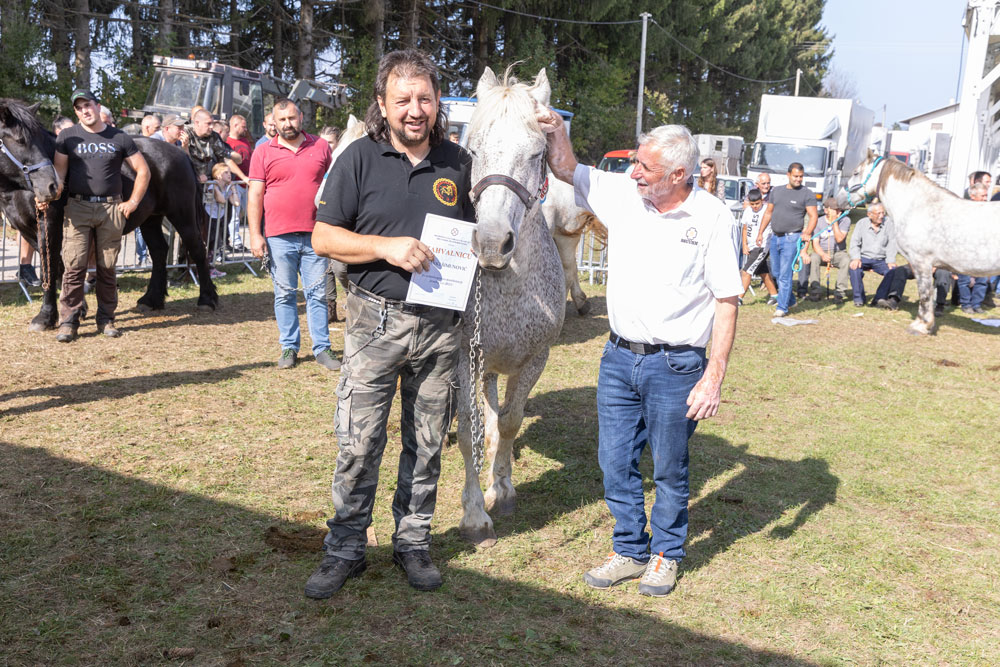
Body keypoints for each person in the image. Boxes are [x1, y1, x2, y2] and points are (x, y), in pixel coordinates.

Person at [541, 116, 741, 597]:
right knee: (614, 461)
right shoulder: (625, 195)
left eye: (645, 167)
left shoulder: (713, 217)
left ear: (679, 174)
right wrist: (555, 129)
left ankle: (666, 554)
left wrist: (713, 376)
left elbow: (727, 300)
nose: (633, 173)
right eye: (635, 163)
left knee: (669, 467)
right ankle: (629, 549)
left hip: (676, 366)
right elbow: (566, 168)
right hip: (617, 359)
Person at [304, 48, 475, 599]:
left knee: (427, 443)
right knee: (359, 442)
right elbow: (323, 237)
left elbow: (484, 232)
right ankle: (345, 549)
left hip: (441, 329)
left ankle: (413, 543)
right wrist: (386, 247)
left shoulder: (461, 163)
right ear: (382, 103)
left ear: (438, 101)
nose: (415, 110)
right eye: (403, 100)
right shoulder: (359, 157)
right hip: (374, 323)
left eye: (424, 98)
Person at [45, 89, 149, 342]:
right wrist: (47, 196)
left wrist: (133, 202)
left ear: (97, 106)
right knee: (73, 267)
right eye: (79, 108)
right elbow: (59, 175)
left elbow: (143, 170)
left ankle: (106, 319)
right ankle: (68, 322)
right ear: (76, 112)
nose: (84, 111)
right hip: (77, 207)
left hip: (111, 209)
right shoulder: (67, 137)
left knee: (107, 268)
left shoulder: (119, 137)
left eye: (88, 105)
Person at [247, 98, 337, 371]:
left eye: (291, 118)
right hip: (278, 236)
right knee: (285, 295)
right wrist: (255, 235)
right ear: (274, 122)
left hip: (316, 234)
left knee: (317, 295)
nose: (287, 124)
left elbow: (335, 187)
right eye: (282, 119)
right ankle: (289, 347)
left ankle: (322, 348)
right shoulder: (263, 151)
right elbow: (255, 195)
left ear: (301, 118)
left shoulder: (320, 147)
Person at [755, 162, 818, 317]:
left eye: (801, 177)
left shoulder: (807, 194)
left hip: (792, 238)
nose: (798, 179)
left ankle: (782, 308)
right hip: (775, 237)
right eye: (795, 176)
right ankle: (790, 300)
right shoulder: (776, 191)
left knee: (785, 275)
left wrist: (807, 232)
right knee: (776, 273)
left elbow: (813, 216)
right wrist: (760, 232)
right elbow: (768, 213)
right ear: (788, 175)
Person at [848, 202, 899, 308]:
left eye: (883, 213)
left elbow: (892, 243)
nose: (881, 216)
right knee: (854, 268)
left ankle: (878, 299)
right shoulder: (861, 223)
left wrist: (890, 260)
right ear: (869, 214)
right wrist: (856, 258)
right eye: (878, 213)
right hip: (864, 257)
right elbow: (854, 243)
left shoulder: (888, 223)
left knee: (893, 271)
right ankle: (859, 298)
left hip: (881, 259)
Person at [807, 198, 852, 302]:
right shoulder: (818, 221)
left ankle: (839, 293)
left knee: (846, 260)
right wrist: (822, 254)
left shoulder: (845, 220)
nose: (839, 212)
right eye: (836, 209)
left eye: (840, 209)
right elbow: (815, 244)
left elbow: (839, 239)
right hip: (821, 252)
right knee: (813, 258)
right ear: (826, 210)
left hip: (838, 252)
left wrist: (834, 221)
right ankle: (815, 291)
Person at [186, 109, 247, 183]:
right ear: (197, 123)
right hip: (189, 180)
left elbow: (226, 159)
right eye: (208, 123)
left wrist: (244, 178)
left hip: (208, 182)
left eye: (212, 123)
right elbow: (182, 158)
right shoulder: (185, 133)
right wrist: (197, 175)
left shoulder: (214, 136)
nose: (212, 126)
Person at [738, 188, 777, 303]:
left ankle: (739, 298)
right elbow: (745, 228)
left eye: (757, 203)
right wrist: (744, 244)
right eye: (752, 204)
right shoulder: (747, 211)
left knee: (746, 271)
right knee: (762, 271)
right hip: (751, 246)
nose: (755, 206)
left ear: (762, 201)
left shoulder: (767, 210)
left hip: (762, 246)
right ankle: (775, 296)